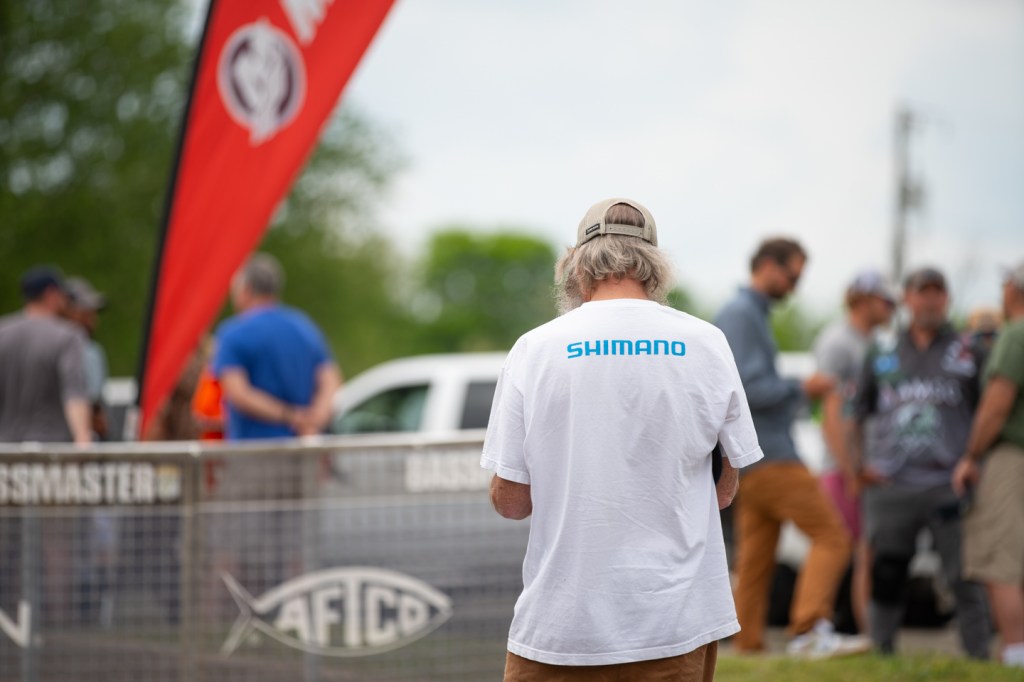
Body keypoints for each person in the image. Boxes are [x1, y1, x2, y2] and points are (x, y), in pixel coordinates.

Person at [482, 198, 764, 681]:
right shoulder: (706, 342)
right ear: (655, 267)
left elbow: (511, 501)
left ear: (576, 267)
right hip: (676, 624)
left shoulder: (536, 348)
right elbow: (725, 490)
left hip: (561, 630)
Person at [714, 238, 865, 658]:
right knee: (833, 537)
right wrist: (804, 386)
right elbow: (745, 389)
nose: (795, 286)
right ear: (767, 265)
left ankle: (747, 646)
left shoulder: (746, 313)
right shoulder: (743, 314)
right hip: (772, 456)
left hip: (752, 459)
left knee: (755, 559)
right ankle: (809, 630)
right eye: (792, 275)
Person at [849, 266, 990, 658]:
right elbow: (855, 412)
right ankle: (881, 654)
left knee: (964, 575)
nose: (929, 300)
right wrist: (857, 467)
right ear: (907, 299)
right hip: (892, 485)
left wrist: (977, 462)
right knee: (887, 572)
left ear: (947, 299)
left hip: (950, 486)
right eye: (921, 292)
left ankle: (979, 658)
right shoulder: (882, 350)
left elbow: (989, 411)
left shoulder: (969, 350)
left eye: (936, 292)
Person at [812, 269, 896, 632]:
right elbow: (831, 414)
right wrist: (850, 471)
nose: (892, 307)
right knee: (835, 548)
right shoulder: (838, 342)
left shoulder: (876, 343)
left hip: (866, 468)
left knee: (865, 553)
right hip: (844, 469)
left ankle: (868, 637)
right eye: (885, 300)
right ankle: (812, 627)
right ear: (863, 299)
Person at [953, 260, 1024, 668]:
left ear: (1013, 289)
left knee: (1001, 559)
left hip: (1012, 458)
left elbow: (997, 405)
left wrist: (971, 456)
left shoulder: (1016, 333)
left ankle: (1015, 652)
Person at [212, 253, 341, 440]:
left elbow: (239, 393)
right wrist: (314, 418)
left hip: (252, 449)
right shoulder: (304, 327)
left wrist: (290, 416)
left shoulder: (233, 333)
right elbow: (331, 380)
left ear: (246, 290)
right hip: (301, 447)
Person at [0, 265, 91, 444]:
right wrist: (82, 437)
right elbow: (74, 392)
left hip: (5, 448)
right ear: (51, 294)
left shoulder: (2, 333)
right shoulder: (68, 336)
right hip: (52, 449)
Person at [65, 276, 110, 440]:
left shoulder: (93, 351)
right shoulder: (88, 352)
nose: (91, 320)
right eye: (85, 313)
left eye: (92, 314)